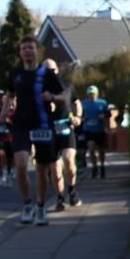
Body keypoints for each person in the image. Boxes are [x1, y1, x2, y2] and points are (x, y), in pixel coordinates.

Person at [4, 37, 66, 226]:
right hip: (21, 125)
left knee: (41, 169)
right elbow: (10, 95)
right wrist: (4, 111)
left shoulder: (47, 74)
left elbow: (64, 96)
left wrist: (52, 96)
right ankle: (27, 205)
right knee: (21, 165)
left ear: (37, 50)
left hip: (43, 125)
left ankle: (40, 206)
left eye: (30, 47)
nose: (27, 51)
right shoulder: (16, 74)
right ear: (20, 52)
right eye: (23, 48)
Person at [43, 59, 82, 210]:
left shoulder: (67, 86)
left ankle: (72, 190)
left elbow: (76, 102)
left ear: (57, 70)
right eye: (47, 71)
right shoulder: (40, 89)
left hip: (66, 126)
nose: (51, 73)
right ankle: (60, 198)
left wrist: (78, 116)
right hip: (49, 129)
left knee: (69, 160)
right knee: (55, 168)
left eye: (53, 70)